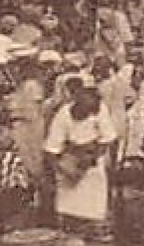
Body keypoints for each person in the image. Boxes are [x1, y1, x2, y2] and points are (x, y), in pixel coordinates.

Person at [46, 87, 117, 237]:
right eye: (85, 111)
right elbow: (52, 148)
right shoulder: (63, 115)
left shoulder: (100, 110)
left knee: (95, 192)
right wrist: (60, 168)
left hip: (93, 154)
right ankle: (70, 226)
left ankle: (95, 228)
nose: (89, 114)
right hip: (70, 155)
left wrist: (91, 158)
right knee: (67, 193)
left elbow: (108, 138)